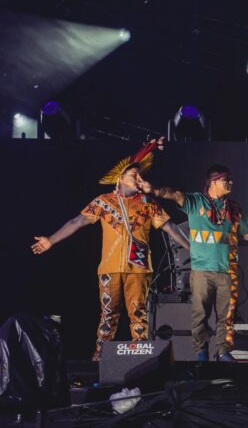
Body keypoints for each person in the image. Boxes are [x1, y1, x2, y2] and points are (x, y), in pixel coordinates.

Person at [31, 139, 190, 361]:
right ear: (120, 179)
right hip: (109, 268)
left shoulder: (148, 203)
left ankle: (142, 356)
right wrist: (51, 240)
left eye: (140, 176)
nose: (139, 179)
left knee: (139, 315)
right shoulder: (103, 202)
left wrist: (191, 248)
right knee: (108, 315)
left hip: (140, 268)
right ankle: (100, 358)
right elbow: (77, 222)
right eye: (134, 176)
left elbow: (170, 227)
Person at [142, 165, 248, 362]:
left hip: (226, 271)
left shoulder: (233, 209)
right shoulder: (196, 201)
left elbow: (247, 231)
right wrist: (155, 191)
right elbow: (174, 194)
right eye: (227, 180)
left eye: (231, 180)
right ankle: (201, 351)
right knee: (200, 315)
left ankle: (223, 351)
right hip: (201, 271)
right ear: (214, 182)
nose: (231, 183)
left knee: (227, 316)